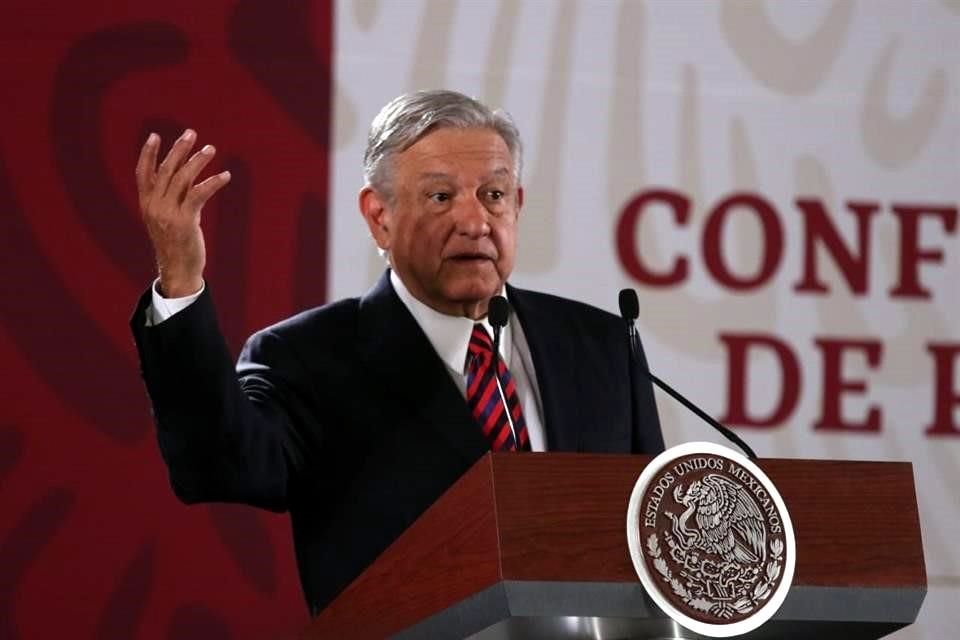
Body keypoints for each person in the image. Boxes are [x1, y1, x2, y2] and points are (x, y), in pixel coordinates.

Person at [131, 89, 664, 615]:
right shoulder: (306, 359)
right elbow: (219, 468)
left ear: (517, 205)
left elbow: (655, 541)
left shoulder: (603, 346)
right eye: (440, 197)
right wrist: (180, 278)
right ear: (379, 216)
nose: (475, 222)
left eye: (494, 195)